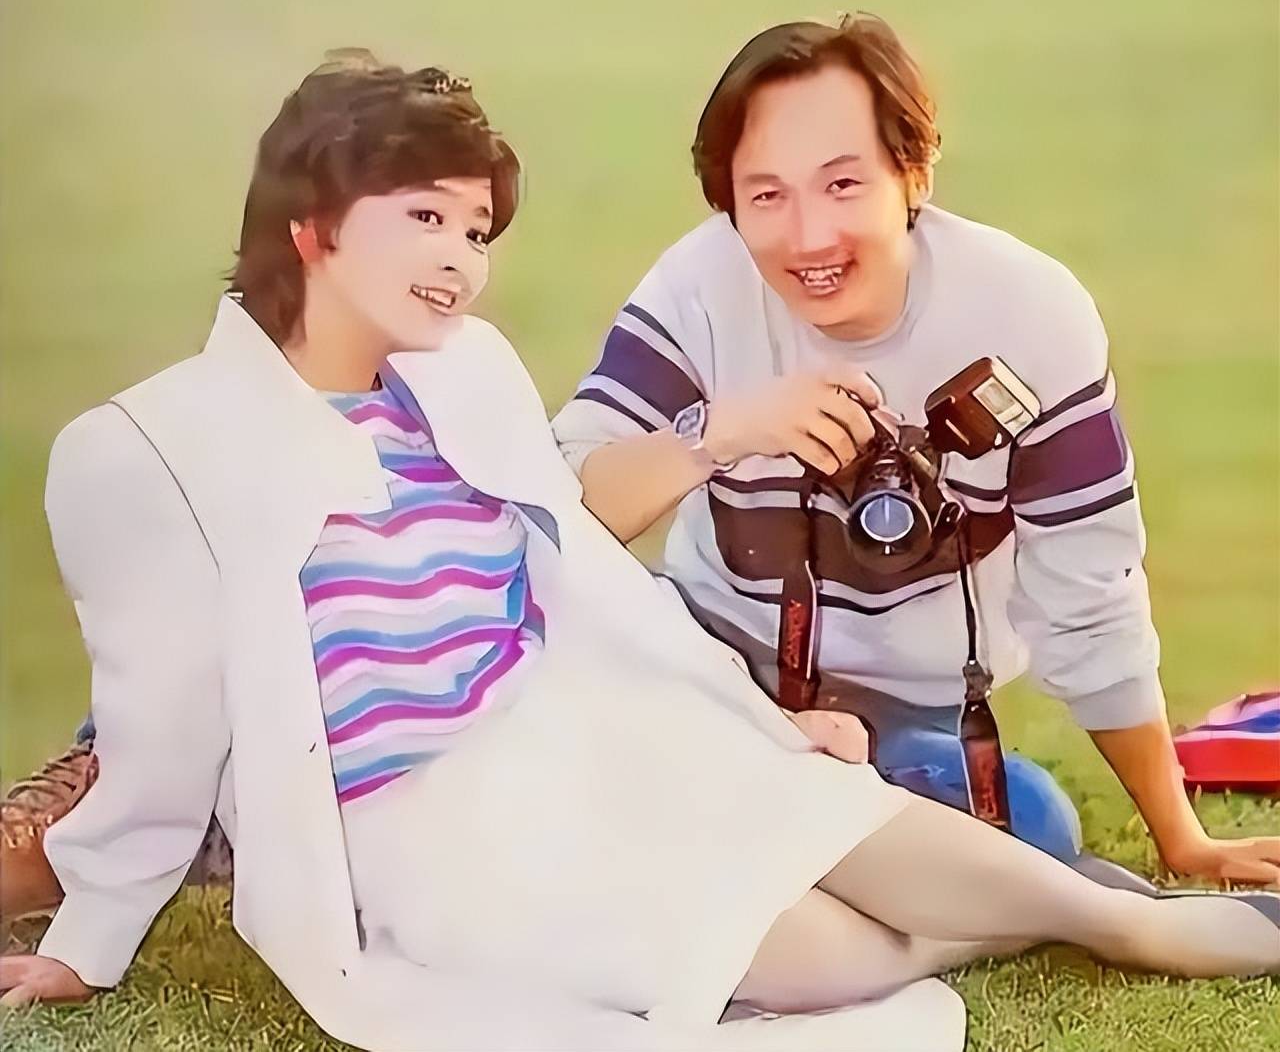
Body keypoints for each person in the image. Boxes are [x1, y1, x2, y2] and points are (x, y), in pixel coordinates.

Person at [1, 54, 1276, 1052]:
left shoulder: (461, 377)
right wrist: (91, 938)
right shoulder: (146, 449)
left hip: (582, 735)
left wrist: (752, 726)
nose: (458, 264)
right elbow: (160, 725)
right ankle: (1028, 919)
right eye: (425, 218)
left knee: (849, 821)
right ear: (310, 226)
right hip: (424, 828)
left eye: (475, 231)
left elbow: (584, 586)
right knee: (819, 958)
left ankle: (1130, 925)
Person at [550, 13, 1280, 884]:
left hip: (902, 719)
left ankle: (737, 805)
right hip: (708, 665)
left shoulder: (1027, 317)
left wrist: (1181, 839)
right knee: (548, 694)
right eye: (767, 196)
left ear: (915, 174)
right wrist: (720, 433)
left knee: (1029, 820)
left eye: (842, 185)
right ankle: (762, 790)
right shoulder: (700, 288)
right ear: (729, 203)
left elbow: (1091, 602)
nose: (808, 237)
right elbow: (554, 511)